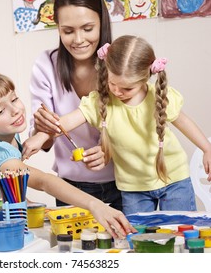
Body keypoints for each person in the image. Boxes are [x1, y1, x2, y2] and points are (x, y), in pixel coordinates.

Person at [23, 35, 211, 215]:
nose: (117, 91)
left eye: (127, 88)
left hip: (174, 179)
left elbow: (184, 121)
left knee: (181, 232)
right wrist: (40, 137)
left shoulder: (159, 98)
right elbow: (67, 122)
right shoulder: (100, 101)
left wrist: (207, 149)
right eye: (113, 83)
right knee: (136, 238)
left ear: (145, 78)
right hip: (133, 187)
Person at [0, 72, 135, 238]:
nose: (15, 111)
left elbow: (5, 185)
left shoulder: (6, 137)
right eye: (1, 111)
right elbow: (43, 181)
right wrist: (95, 205)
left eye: (14, 99)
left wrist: (28, 204)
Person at [29, 0, 122, 210]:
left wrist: (111, 150)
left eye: (88, 29)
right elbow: (44, 141)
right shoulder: (46, 66)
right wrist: (42, 130)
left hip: (127, 184)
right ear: (58, 27)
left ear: (102, 22)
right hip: (71, 189)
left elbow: (141, 127)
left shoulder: (121, 62)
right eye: (68, 31)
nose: (78, 40)